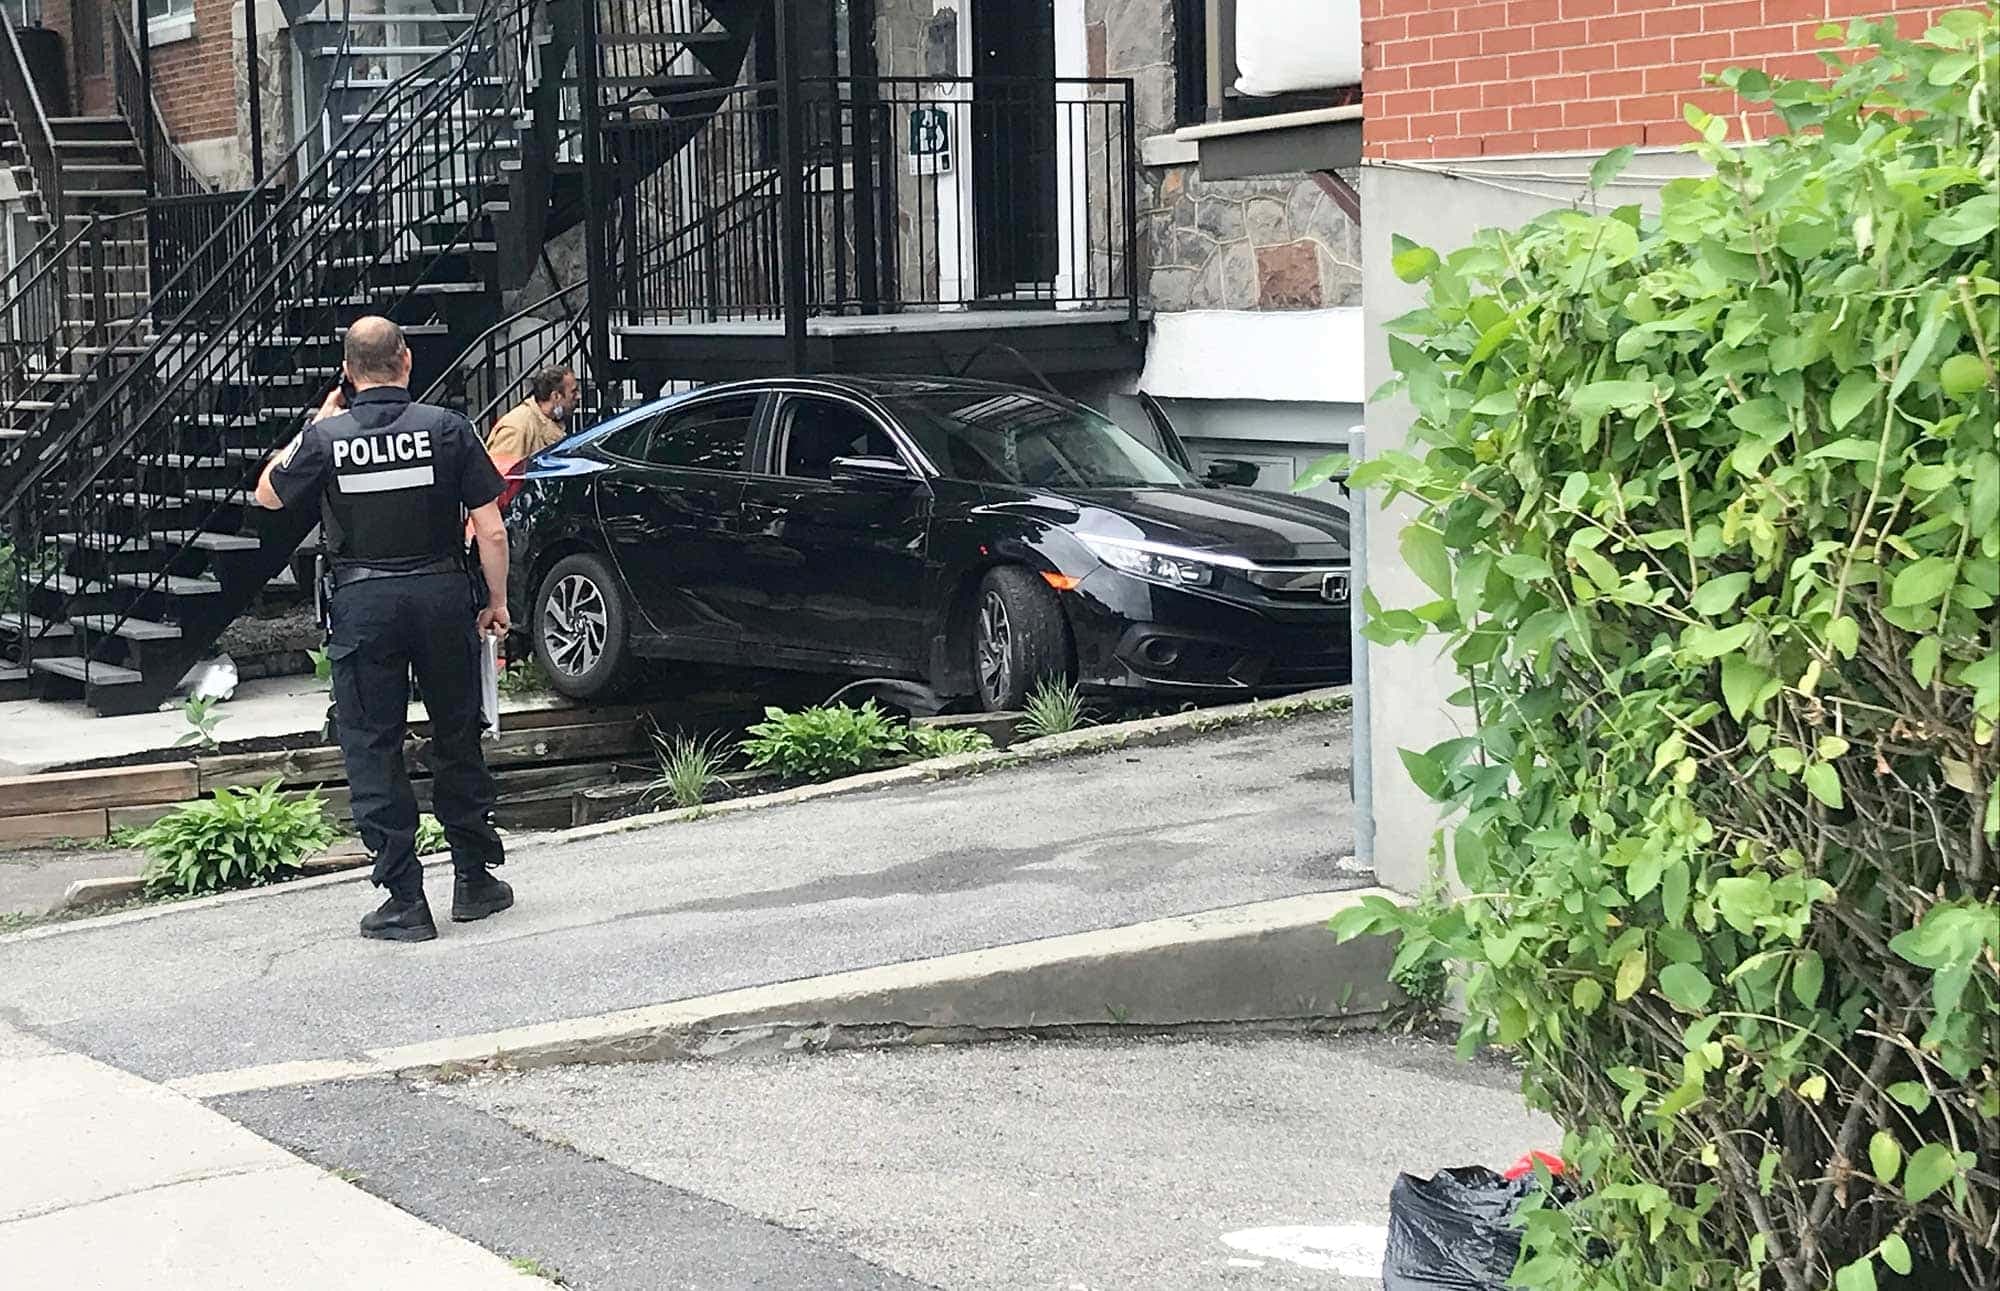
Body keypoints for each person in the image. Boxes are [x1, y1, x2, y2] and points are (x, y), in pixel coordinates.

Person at [256, 316, 515, 943]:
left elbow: (268, 493)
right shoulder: (448, 429)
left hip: (363, 603)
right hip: (441, 597)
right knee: (458, 731)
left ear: (348, 373)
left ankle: (404, 900)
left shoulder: (328, 437)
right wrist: (497, 603)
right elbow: (492, 528)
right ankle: (475, 880)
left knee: (372, 745)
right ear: (405, 362)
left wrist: (316, 424)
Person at [484, 367, 577, 463]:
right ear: (556, 396)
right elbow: (503, 474)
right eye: (574, 392)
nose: (579, 396)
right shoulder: (517, 427)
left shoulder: (547, 420)